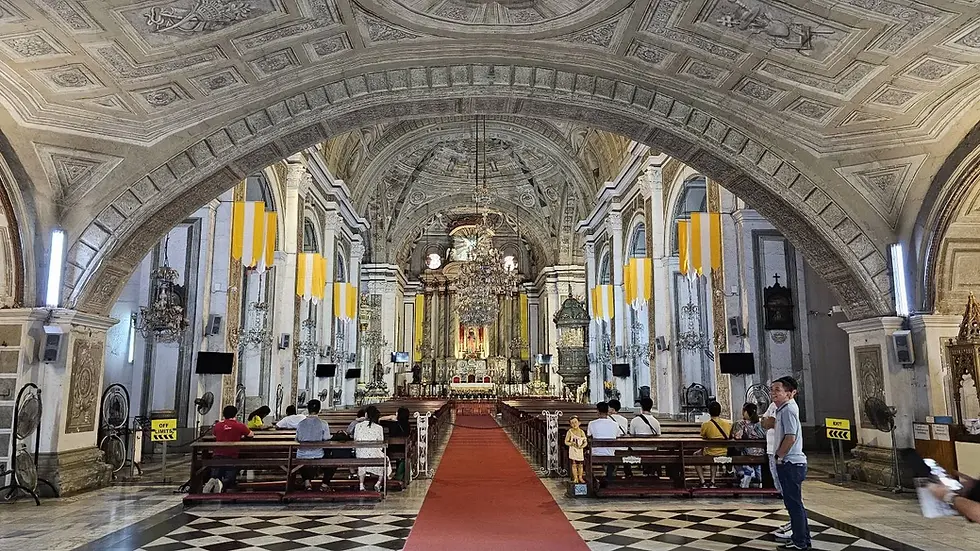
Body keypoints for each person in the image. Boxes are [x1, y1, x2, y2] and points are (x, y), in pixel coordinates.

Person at [768, 376, 810, 550]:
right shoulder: (783, 409)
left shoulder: (788, 410)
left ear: (790, 393)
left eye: (777, 390)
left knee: (794, 505)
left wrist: (780, 456)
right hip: (792, 462)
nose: (773, 393)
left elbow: (790, 437)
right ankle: (801, 539)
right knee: (794, 504)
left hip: (791, 463)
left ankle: (800, 543)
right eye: (772, 390)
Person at [203, 405, 253, 493]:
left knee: (217, 467)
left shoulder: (218, 425)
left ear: (223, 414)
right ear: (235, 414)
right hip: (232, 455)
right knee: (230, 472)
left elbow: (214, 435)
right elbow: (250, 435)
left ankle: (214, 479)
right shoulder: (239, 425)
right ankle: (223, 483)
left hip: (217, 454)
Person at [295, 399, 332, 491]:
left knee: (301, 456)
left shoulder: (300, 423)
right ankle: (324, 483)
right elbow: (326, 439)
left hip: (302, 454)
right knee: (334, 460)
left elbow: (297, 439)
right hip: (317, 454)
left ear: (308, 409)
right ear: (319, 410)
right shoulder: (323, 423)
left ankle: (307, 482)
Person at [354, 405, 391, 492]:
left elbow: (355, 439)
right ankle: (378, 483)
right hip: (374, 452)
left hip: (361, 453)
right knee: (385, 459)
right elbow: (381, 441)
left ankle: (361, 485)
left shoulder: (358, 426)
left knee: (362, 460)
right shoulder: (379, 428)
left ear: (366, 414)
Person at [698, 401, 732, 488]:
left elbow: (703, 436)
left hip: (710, 451)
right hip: (723, 451)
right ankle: (712, 481)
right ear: (720, 411)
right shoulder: (727, 424)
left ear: (709, 412)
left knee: (695, 456)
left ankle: (702, 481)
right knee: (714, 456)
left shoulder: (706, 424)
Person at [732, 402, 767, 488]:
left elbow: (737, 437)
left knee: (735, 451)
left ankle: (745, 473)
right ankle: (759, 479)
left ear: (745, 412)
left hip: (747, 453)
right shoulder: (761, 424)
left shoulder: (740, 424)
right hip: (761, 452)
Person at [587, 402, 621, 486]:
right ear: (608, 412)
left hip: (595, 453)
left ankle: (591, 479)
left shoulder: (592, 424)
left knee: (586, 453)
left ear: (597, 411)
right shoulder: (615, 424)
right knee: (611, 453)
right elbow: (617, 435)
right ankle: (609, 476)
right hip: (610, 453)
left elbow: (588, 436)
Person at [629, 397, 662, 477]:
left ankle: (629, 474)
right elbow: (658, 436)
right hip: (651, 449)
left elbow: (631, 435)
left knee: (628, 448)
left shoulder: (635, 420)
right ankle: (650, 471)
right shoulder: (656, 422)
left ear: (641, 407)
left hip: (637, 449)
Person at [607, 399, 632, 478]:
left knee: (611, 453)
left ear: (612, 409)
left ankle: (610, 475)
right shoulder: (624, 419)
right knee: (626, 452)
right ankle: (628, 474)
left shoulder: (607, 419)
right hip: (623, 446)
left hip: (611, 447)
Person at [564, 416, 588, 484]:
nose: (574, 424)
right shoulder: (570, 432)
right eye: (572, 423)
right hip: (573, 450)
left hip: (580, 450)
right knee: (574, 464)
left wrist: (582, 446)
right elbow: (566, 441)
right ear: (570, 424)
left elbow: (585, 442)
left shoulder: (581, 432)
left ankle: (580, 477)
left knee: (580, 464)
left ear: (579, 423)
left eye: (575, 422)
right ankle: (575, 478)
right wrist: (571, 443)